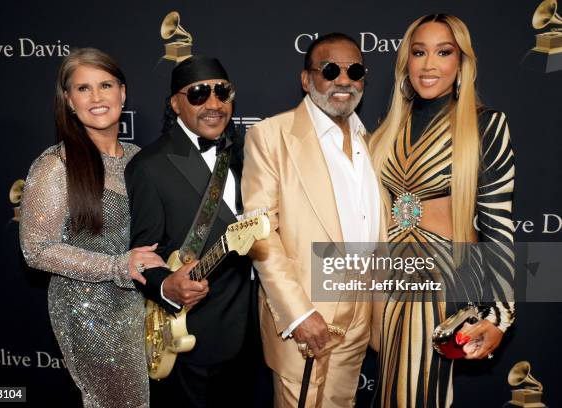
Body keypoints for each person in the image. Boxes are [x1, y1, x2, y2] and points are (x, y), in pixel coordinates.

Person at [368, 14, 516, 407]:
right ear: (406, 62)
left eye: (443, 52)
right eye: (419, 52)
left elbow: (498, 226)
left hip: (437, 284)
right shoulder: (385, 132)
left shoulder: (484, 126)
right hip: (386, 287)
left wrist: (498, 315)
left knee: (413, 395)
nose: (429, 64)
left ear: (461, 63)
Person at [242, 33, 385, 407]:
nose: (343, 80)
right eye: (330, 70)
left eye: (354, 70)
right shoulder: (270, 135)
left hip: (362, 309)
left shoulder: (374, 141)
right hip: (305, 311)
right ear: (307, 79)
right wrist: (298, 313)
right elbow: (260, 234)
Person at [20, 48, 164, 408]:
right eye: (83, 89)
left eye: (105, 85)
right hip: (90, 312)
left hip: (143, 307)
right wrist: (117, 266)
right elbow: (36, 249)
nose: (97, 97)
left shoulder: (138, 158)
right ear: (68, 100)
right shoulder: (56, 165)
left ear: (123, 92)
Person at [125, 55, 254, 407]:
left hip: (255, 336)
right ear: (175, 103)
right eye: (198, 94)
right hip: (190, 338)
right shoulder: (150, 166)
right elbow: (142, 257)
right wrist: (166, 285)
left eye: (222, 92)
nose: (214, 104)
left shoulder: (252, 154)